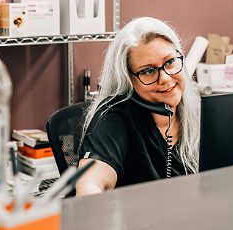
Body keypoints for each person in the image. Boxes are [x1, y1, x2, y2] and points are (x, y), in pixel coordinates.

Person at [76, 17, 200, 196]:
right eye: (148, 71)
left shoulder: (200, 110)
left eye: (170, 62)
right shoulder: (113, 117)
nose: (165, 78)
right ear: (128, 79)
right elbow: (90, 183)